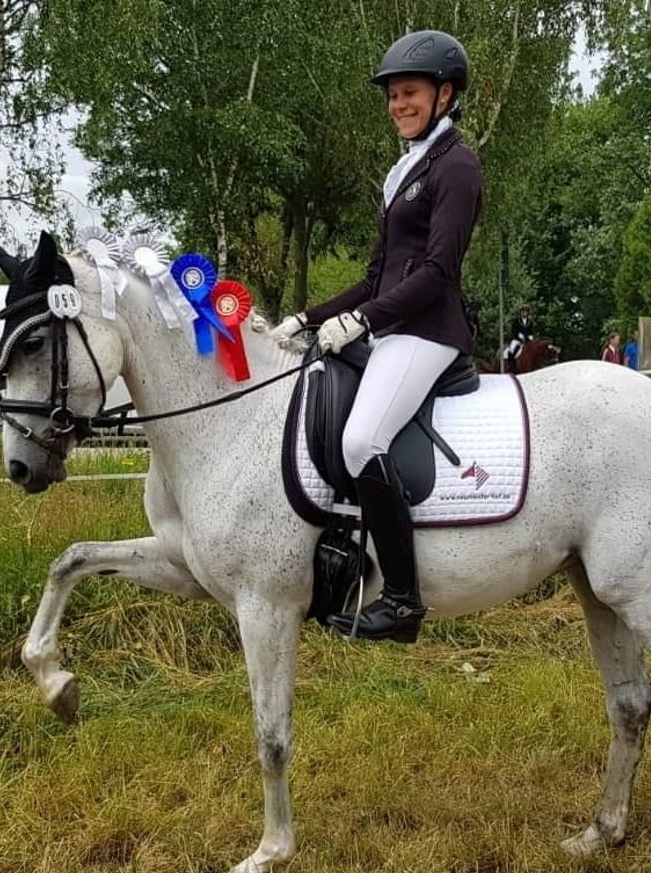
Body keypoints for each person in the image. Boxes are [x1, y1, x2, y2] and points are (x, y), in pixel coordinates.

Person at [271, 30, 482, 643]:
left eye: (409, 92)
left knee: (364, 439)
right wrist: (309, 317)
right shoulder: (407, 169)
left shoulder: (458, 166)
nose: (397, 104)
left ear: (444, 95)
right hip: (394, 325)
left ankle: (402, 599)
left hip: (428, 330)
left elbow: (439, 272)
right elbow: (375, 277)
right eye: (392, 95)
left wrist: (362, 323)